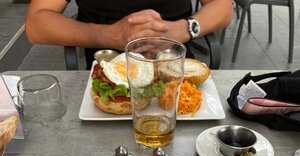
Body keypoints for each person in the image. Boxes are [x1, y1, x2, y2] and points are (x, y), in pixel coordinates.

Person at [26, 0, 232, 68]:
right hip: (107, 71)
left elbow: (223, 8)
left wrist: (184, 29)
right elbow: (37, 24)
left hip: (174, 70)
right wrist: (108, 35)